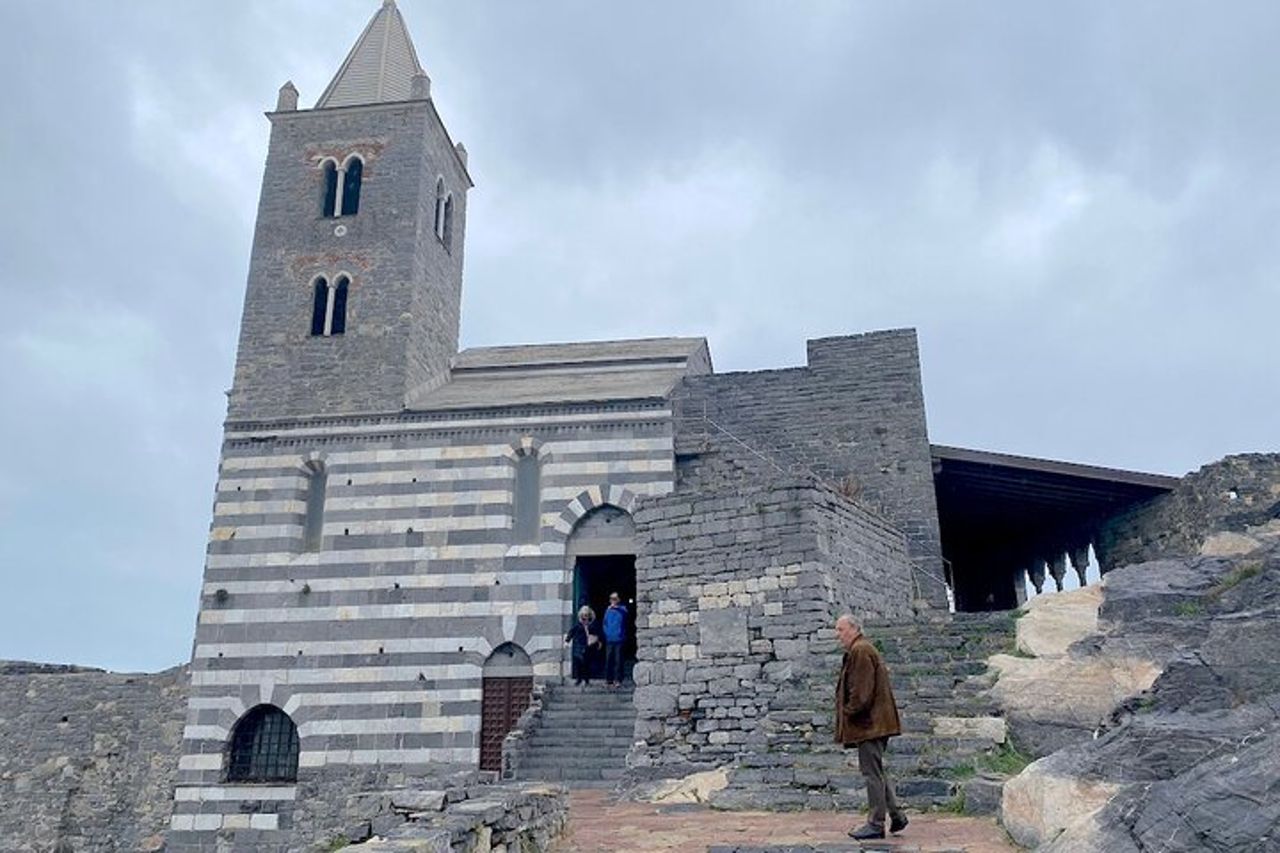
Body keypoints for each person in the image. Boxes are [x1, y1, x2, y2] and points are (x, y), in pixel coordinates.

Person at [834, 614, 908, 840]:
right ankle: (897, 816)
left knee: (871, 774)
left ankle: (876, 824)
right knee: (877, 771)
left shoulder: (861, 650)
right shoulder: (861, 649)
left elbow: (862, 692)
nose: (838, 635)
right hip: (873, 723)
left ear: (854, 629)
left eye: (840, 630)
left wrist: (848, 711)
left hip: (870, 724)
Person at [564, 606, 600, 687]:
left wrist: (597, 642)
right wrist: (567, 641)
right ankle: (579, 680)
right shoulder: (578, 625)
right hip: (579, 647)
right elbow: (571, 632)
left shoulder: (592, 625)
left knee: (587, 665)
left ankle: (586, 680)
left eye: (587, 615)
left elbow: (596, 634)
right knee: (578, 665)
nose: (585, 618)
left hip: (588, 647)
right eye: (583, 616)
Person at [602, 592, 629, 688]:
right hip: (609, 639)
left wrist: (615, 608)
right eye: (611, 599)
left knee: (618, 660)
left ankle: (617, 680)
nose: (613, 601)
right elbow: (604, 623)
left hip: (619, 638)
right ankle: (608, 680)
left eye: (615, 599)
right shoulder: (607, 611)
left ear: (618, 600)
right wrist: (606, 633)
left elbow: (625, 618)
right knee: (609, 659)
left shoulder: (623, 610)